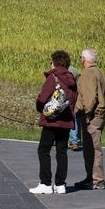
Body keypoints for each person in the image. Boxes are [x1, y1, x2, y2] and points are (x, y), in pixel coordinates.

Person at [30, 50, 78, 195]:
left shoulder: (53, 77)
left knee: (43, 149)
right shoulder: (72, 79)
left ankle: (45, 183)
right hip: (66, 121)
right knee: (62, 151)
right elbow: (74, 99)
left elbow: (42, 98)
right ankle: (60, 184)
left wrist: (41, 109)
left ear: (54, 62)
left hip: (51, 121)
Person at [74, 48, 105, 190]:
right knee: (90, 148)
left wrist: (85, 114)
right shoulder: (100, 72)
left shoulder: (88, 73)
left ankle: (97, 181)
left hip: (92, 116)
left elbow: (89, 98)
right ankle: (91, 177)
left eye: (81, 58)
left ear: (84, 59)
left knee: (93, 149)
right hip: (98, 114)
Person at [66, 63, 83, 151]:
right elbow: (79, 85)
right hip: (74, 97)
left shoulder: (59, 71)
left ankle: (57, 141)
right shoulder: (74, 70)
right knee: (75, 118)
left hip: (62, 98)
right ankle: (75, 141)